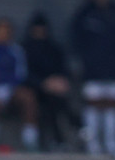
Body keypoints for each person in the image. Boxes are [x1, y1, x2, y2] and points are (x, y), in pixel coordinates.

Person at [71, 0, 115, 156]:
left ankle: (111, 143)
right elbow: (77, 40)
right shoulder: (85, 13)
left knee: (112, 105)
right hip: (92, 70)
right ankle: (92, 144)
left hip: (113, 70)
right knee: (93, 105)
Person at [22, 12, 77, 151]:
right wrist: (43, 83)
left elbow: (64, 69)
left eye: (42, 30)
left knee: (58, 102)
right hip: (33, 88)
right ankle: (36, 142)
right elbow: (23, 73)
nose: (40, 33)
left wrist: (60, 81)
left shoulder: (54, 48)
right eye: (37, 30)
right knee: (34, 101)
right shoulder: (25, 49)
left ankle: (63, 139)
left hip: (54, 90)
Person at [0, 17, 39, 151]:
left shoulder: (16, 50)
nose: (3, 34)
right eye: (0, 30)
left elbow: (21, 74)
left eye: (6, 31)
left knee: (28, 97)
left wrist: (9, 88)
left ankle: (30, 141)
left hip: (11, 90)